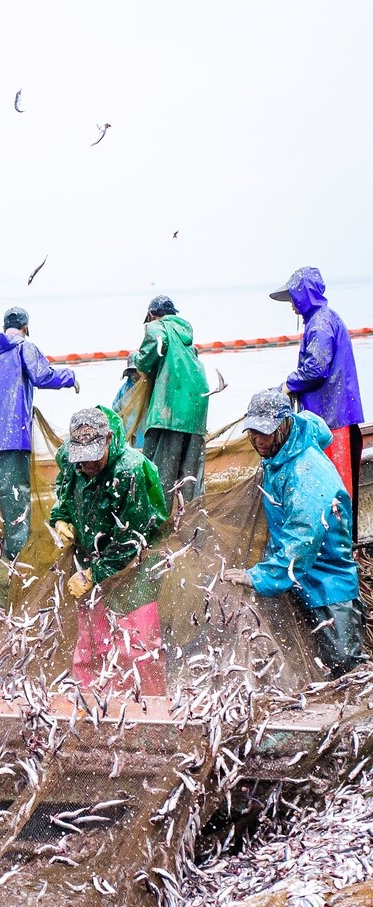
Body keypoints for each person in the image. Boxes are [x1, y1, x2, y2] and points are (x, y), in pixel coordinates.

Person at [225, 388, 366, 678]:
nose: (258, 440)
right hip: (297, 580)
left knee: (346, 673)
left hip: (328, 587)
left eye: (265, 432)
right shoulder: (281, 453)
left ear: (285, 423)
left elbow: (302, 539)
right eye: (253, 431)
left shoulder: (305, 472)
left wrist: (258, 576)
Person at [0, 304, 79, 572]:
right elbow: (42, 375)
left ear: (5, 327)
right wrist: (70, 377)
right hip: (13, 439)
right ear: (25, 327)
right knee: (16, 501)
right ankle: (18, 560)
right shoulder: (24, 348)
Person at [270, 266, 364, 534]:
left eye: (293, 299)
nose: (292, 306)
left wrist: (288, 384)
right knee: (331, 480)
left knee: (334, 482)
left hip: (333, 416)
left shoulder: (321, 323)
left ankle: (339, 540)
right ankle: (337, 536)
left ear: (304, 295)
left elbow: (316, 368)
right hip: (330, 413)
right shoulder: (322, 319)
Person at [49, 407, 168, 599]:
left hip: (134, 558)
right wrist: (60, 518)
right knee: (93, 617)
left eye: (94, 457)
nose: (87, 465)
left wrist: (94, 575)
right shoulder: (68, 457)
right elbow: (64, 489)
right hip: (90, 551)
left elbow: (132, 540)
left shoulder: (129, 471)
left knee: (130, 614)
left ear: (109, 438)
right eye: (81, 458)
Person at [133, 295, 209, 513]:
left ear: (152, 315)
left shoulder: (157, 326)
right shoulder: (186, 338)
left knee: (161, 478)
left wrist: (139, 362)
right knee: (191, 479)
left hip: (170, 412)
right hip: (196, 411)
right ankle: (194, 531)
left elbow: (150, 352)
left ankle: (160, 528)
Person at [112, 353, 149, 448]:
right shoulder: (124, 390)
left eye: (136, 371)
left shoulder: (151, 387)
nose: (134, 375)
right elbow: (115, 413)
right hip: (130, 435)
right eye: (132, 371)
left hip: (147, 435)